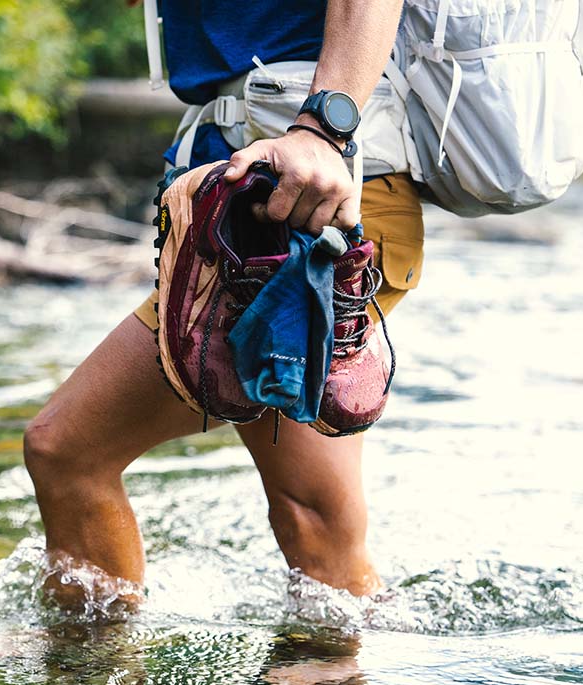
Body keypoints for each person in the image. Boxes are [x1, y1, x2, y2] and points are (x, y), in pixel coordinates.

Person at [23, 0, 424, 602]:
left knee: (68, 452)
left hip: (302, 200)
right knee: (312, 516)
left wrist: (322, 130)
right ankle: (336, 676)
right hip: (276, 200)